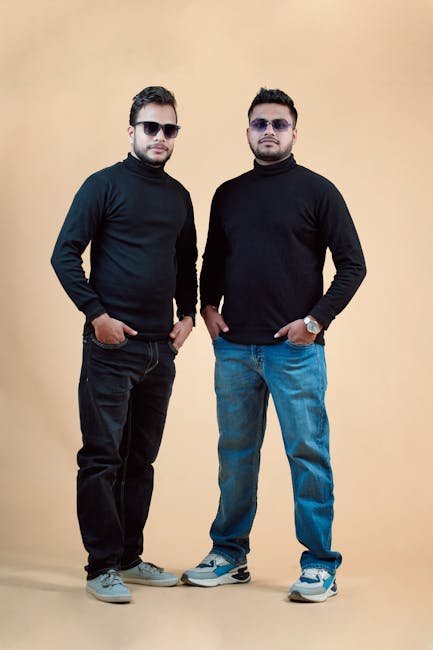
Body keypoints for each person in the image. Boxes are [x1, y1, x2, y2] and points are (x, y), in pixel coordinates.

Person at [181, 88, 366, 602]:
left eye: (278, 124)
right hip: (235, 350)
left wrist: (315, 321)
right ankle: (229, 553)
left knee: (307, 454)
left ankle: (320, 564)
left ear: (293, 133)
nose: (268, 131)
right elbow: (213, 260)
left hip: (295, 353)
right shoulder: (228, 194)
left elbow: (353, 265)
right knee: (235, 456)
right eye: (260, 123)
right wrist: (208, 306)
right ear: (248, 132)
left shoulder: (318, 191)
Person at [51, 86, 197, 603]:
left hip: (160, 352)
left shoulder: (179, 196)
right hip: (111, 349)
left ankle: (130, 558)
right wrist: (96, 315)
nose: (160, 137)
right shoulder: (103, 185)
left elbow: (186, 261)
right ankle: (101, 567)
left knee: (141, 461)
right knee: (102, 458)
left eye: (169, 129)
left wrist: (187, 316)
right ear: (132, 131)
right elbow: (64, 254)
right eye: (151, 127)